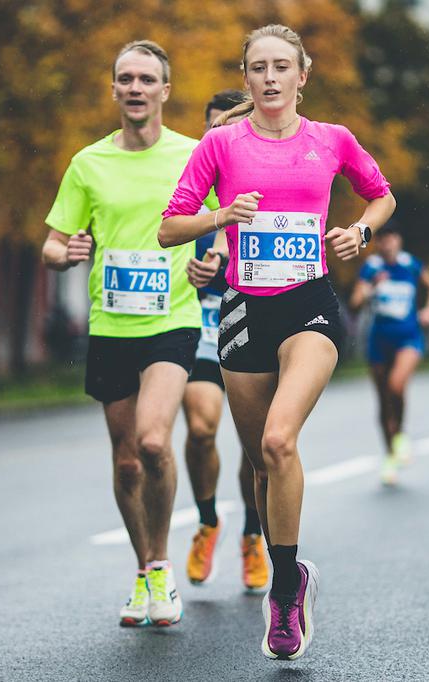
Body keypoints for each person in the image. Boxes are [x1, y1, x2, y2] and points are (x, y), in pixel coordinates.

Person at [158, 24, 396, 660]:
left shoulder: (333, 141)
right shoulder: (219, 144)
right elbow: (169, 228)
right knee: (262, 466)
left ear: (301, 76)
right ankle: (283, 564)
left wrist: (360, 234)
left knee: (277, 440)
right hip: (242, 312)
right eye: (257, 67)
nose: (269, 77)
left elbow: (381, 197)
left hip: (309, 308)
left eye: (280, 66)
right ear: (246, 78)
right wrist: (220, 217)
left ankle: (286, 588)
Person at [41, 40, 211, 627]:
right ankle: (142, 569)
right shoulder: (88, 164)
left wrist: (211, 263)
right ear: (113, 89)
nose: (135, 88)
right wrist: (66, 253)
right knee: (126, 463)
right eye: (125, 79)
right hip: (111, 324)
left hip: (173, 319)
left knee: (155, 442)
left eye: (147, 79)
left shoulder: (195, 154)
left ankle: (162, 567)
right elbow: (53, 241)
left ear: (165, 90)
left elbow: (226, 223)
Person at [179, 89, 268, 592]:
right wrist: (195, 267)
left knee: (255, 450)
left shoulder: (262, 184)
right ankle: (208, 520)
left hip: (253, 323)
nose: (220, 139)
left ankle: (252, 534)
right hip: (203, 327)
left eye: (228, 130)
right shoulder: (189, 188)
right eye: (212, 130)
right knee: (200, 427)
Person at [348, 221, 429, 485]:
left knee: (397, 386)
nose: (387, 243)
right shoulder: (372, 269)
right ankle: (389, 454)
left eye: (392, 238)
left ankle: (399, 436)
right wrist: (369, 290)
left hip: (409, 337)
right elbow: (354, 305)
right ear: (377, 243)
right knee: (383, 400)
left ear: (399, 241)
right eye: (382, 239)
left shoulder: (410, 264)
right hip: (379, 341)